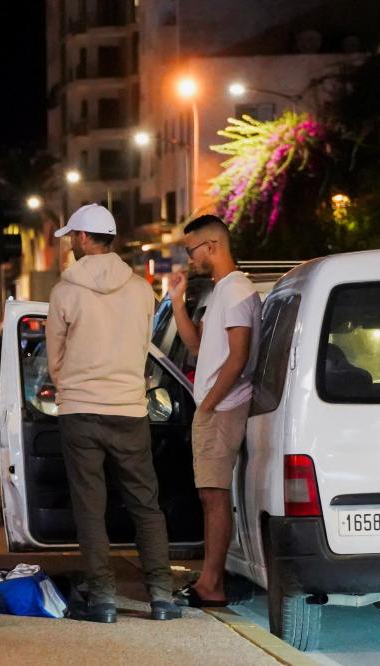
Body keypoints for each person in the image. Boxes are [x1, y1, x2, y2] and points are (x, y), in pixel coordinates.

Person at [46, 204, 179, 623]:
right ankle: (161, 595)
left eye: (73, 236)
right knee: (146, 504)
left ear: (85, 238)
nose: (70, 242)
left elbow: (55, 358)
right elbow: (143, 347)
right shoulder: (142, 290)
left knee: (90, 506)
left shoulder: (65, 291)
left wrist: (73, 385)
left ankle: (103, 599)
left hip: (81, 411)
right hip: (129, 409)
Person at [168, 215, 261, 608]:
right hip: (215, 406)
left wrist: (207, 405)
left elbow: (238, 357)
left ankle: (212, 584)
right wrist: (176, 299)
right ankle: (209, 578)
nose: (190, 258)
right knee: (210, 494)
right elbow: (195, 345)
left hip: (222, 408)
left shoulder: (237, 290)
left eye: (192, 251)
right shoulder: (222, 291)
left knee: (215, 495)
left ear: (212, 246)